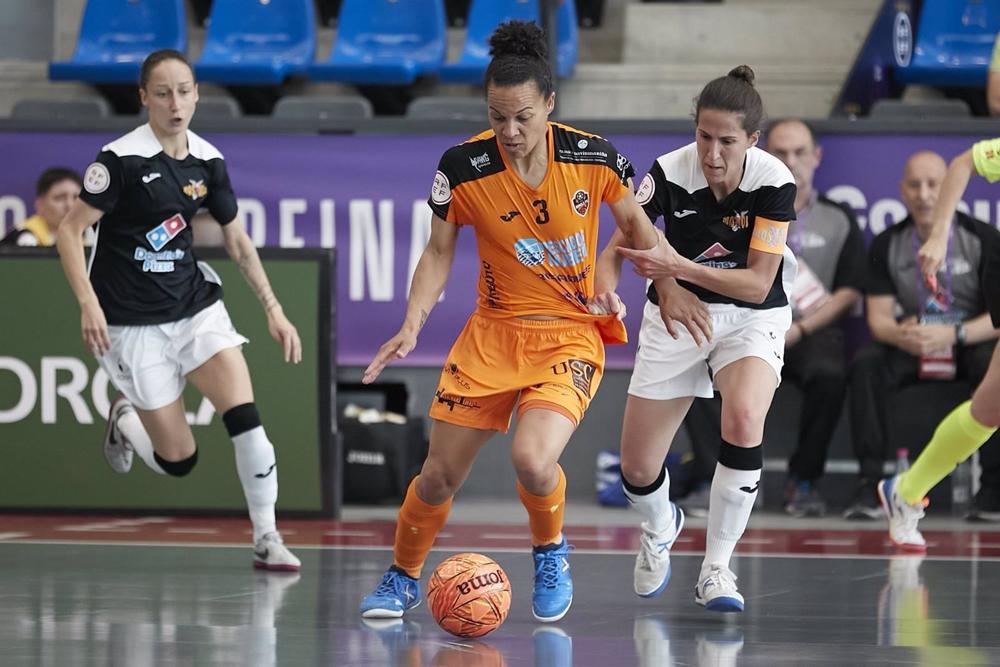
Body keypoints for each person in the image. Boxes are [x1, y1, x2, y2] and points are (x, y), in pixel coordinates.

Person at [357, 21, 663, 623]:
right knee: (438, 475)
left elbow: (638, 233)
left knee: (531, 458)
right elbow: (438, 252)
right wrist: (413, 321)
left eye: (523, 116)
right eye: (498, 117)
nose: (511, 131)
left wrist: (611, 285)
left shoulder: (593, 157)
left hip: (569, 333)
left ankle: (550, 551)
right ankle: (401, 576)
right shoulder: (463, 167)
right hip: (492, 333)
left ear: (550, 103)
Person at [54, 49, 302, 571]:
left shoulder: (208, 162)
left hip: (194, 309)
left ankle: (267, 537)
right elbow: (69, 231)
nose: (175, 103)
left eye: (184, 91)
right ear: (144, 97)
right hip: (128, 323)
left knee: (248, 422)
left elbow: (236, 240)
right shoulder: (117, 162)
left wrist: (274, 310)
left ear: (196, 94)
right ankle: (125, 417)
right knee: (179, 461)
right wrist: (87, 303)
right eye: (163, 93)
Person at [597, 65, 797, 613]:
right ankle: (663, 524)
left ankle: (716, 569)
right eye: (703, 136)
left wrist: (678, 267)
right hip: (675, 317)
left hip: (751, 317)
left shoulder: (775, 182)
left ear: (752, 140)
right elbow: (617, 247)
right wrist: (619, 290)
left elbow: (758, 283)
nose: (712, 153)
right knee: (637, 469)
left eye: (727, 141)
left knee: (743, 417)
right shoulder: (666, 173)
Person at [680, 119, 865, 518]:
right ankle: (720, 477)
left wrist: (800, 329)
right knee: (695, 361)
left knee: (830, 376)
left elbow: (849, 291)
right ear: (763, 154)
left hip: (808, 331)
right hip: (747, 323)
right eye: (781, 153)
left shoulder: (838, 218)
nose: (791, 161)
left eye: (800, 152)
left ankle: (803, 481)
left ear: (816, 157)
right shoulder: (739, 210)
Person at [846, 151, 1000, 522]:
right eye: (915, 185)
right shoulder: (889, 242)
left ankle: (987, 490)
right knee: (869, 365)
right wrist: (907, 335)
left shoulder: (982, 237)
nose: (925, 194)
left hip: (966, 338)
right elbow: (879, 320)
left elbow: (992, 323)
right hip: (914, 341)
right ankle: (882, 485)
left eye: (934, 184)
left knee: (988, 379)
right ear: (902, 191)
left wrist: (954, 333)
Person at [0, 167, 81, 247]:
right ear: (40, 205)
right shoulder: (25, 239)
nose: (70, 205)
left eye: (76, 197)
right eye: (59, 198)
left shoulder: (82, 239)